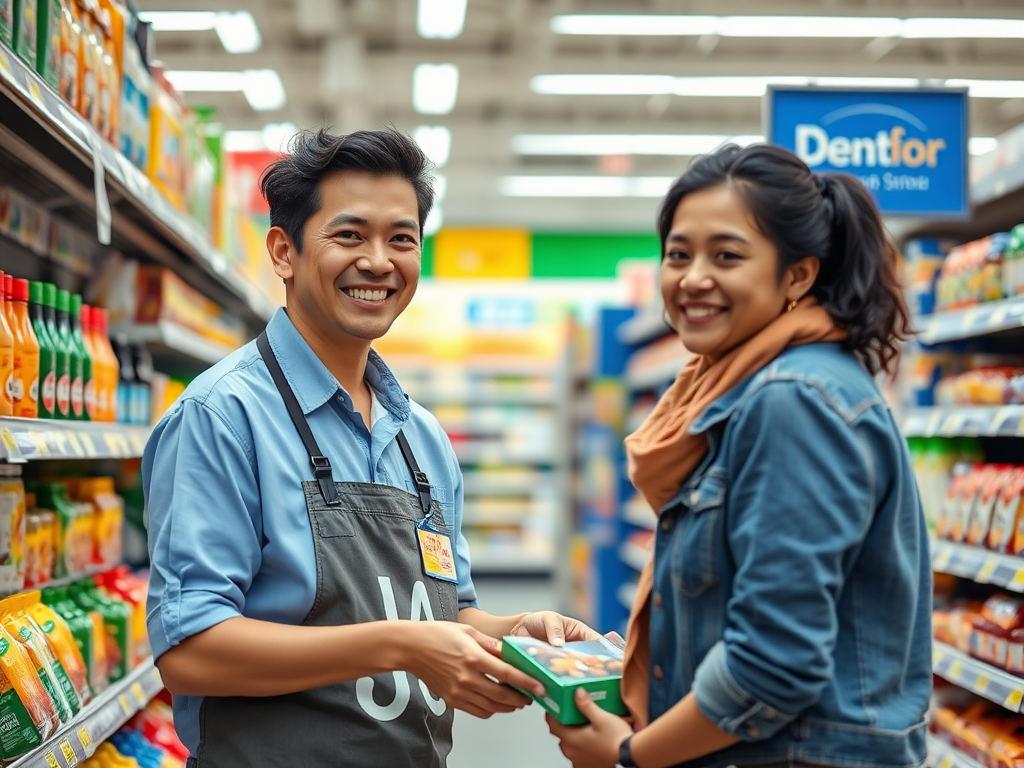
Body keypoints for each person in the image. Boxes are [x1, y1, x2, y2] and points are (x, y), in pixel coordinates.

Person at [143, 127, 596, 768]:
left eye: (402, 239)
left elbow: (449, 611)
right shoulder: (222, 416)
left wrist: (517, 635)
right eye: (349, 235)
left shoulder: (423, 438)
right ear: (284, 251)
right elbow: (190, 652)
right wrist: (402, 647)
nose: (380, 261)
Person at [549, 143, 930, 768]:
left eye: (727, 255)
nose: (693, 278)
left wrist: (629, 756)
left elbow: (773, 661)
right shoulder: (741, 390)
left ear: (798, 275)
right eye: (678, 254)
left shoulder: (793, 401)